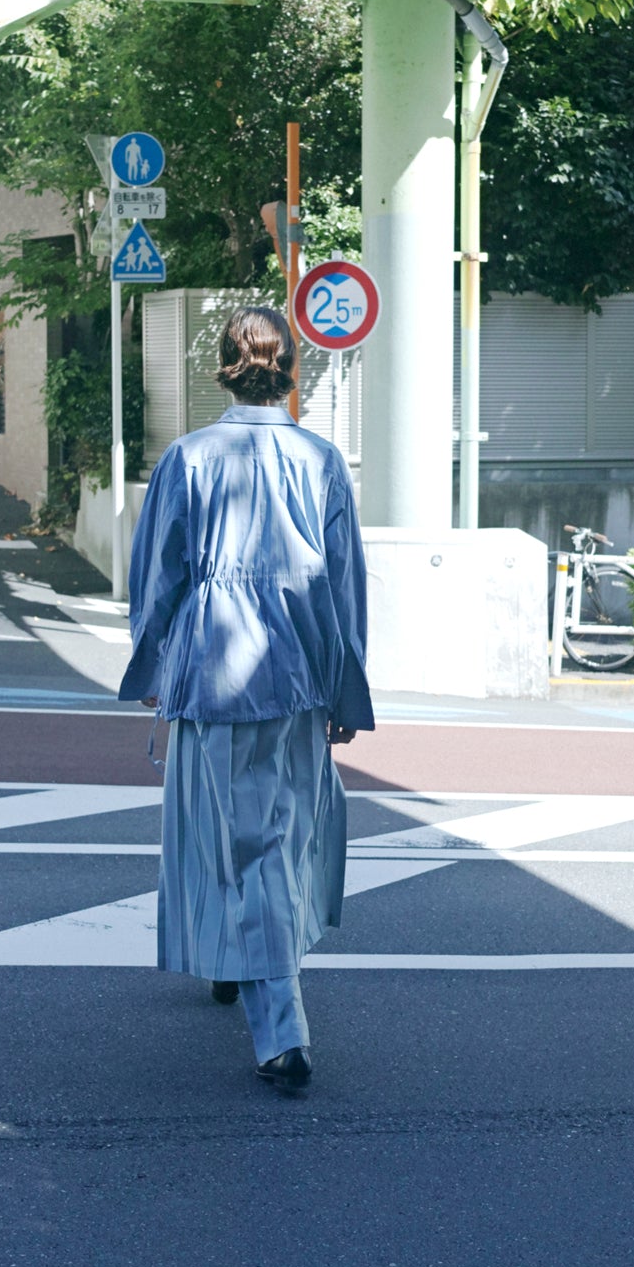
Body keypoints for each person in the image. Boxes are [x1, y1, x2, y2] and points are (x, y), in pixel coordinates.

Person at [118, 307, 375, 1088]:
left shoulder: (188, 458)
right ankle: (240, 963)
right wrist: (345, 687)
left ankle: (282, 1032)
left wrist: (153, 670)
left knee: (230, 837)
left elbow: (157, 576)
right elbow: (344, 586)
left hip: (216, 673)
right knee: (282, 835)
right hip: (296, 669)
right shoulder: (321, 458)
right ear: (289, 367)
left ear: (223, 365)